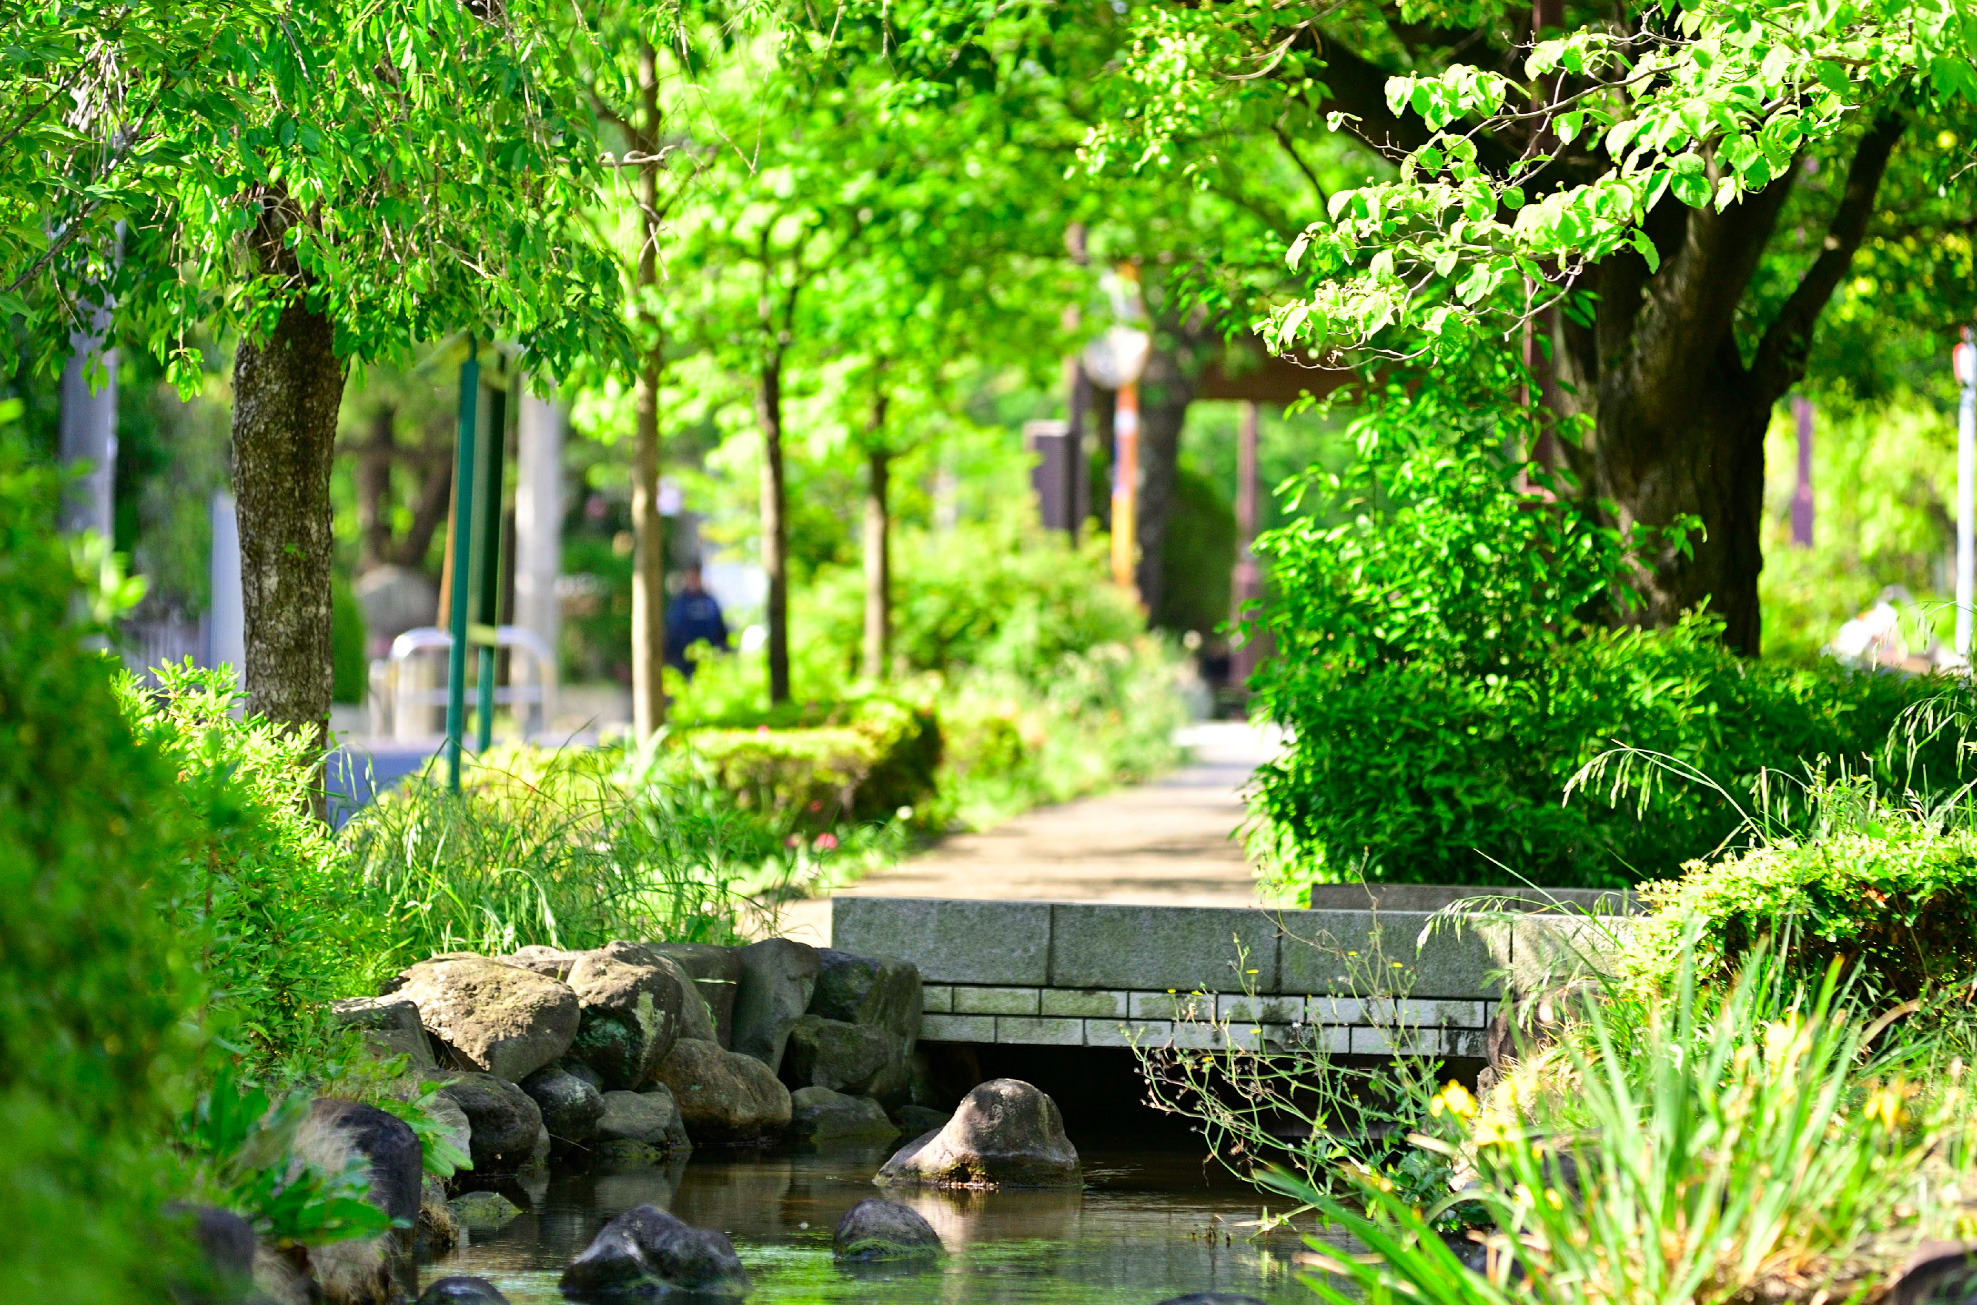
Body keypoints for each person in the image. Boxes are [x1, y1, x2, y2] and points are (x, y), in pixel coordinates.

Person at [666, 563, 730, 679]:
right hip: (684, 662)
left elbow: (720, 629)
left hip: (709, 659)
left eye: (696, 577)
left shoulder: (709, 601)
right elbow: (673, 630)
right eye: (691, 577)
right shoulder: (679, 603)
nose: (693, 580)